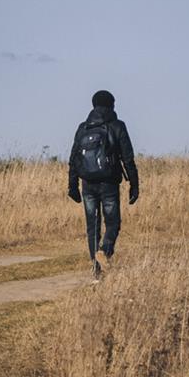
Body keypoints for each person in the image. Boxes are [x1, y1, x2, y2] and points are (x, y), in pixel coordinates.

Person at [67, 89, 139, 282]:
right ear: (111, 105)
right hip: (109, 183)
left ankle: (96, 270)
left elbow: (73, 159)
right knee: (113, 223)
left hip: (87, 184)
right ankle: (105, 251)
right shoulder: (117, 126)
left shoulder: (83, 127)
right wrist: (134, 185)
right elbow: (128, 158)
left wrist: (72, 186)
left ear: (93, 105)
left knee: (93, 226)